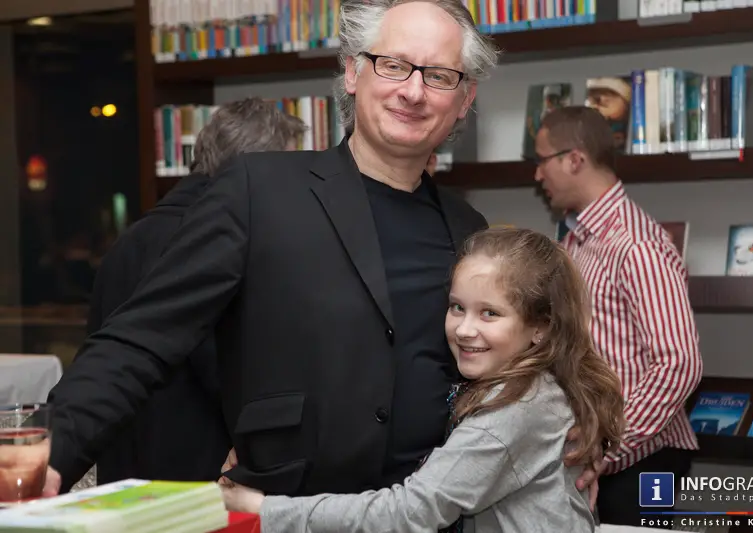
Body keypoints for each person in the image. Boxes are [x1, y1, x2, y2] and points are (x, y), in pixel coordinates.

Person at [44, 0, 602, 506]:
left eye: (439, 76)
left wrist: (565, 433)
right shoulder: (257, 191)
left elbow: (507, 363)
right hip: (286, 507)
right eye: (393, 65)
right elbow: (140, 339)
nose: (413, 91)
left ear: (464, 100)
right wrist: (52, 453)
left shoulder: (467, 228)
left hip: (424, 514)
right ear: (353, 71)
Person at [220, 227, 626, 533]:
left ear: (541, 326)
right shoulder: (536, 384)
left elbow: (409, 512)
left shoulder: (514, 409)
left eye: (490, 314)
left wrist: (261, 507)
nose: (465, 329)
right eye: (457, 308)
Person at [81, 97, 308, 487]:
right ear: (254, 169)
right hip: (196, 479)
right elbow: (227, 372)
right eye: (288, 169)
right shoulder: (218, 242)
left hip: (124, 474)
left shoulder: (132, 238)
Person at [533, 105, 703, 528]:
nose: (537, 176)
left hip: (643, 462)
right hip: (597, 458)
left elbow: (679, 363)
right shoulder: (577, 241)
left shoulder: (635, 244)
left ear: (575, 159)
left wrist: (608, 445)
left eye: (542, 161)